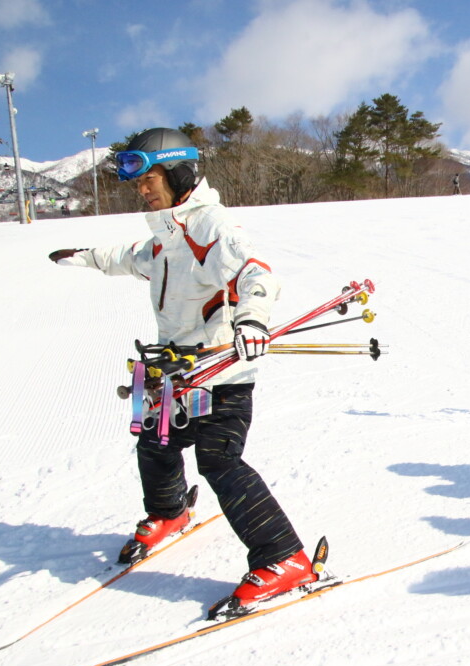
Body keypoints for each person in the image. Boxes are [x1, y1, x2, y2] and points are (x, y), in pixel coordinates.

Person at [46, 128, 318, 615]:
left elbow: (256, 273)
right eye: (138, 183)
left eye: (148, 180)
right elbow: (130, 258)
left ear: (177, 174)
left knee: (219, 460)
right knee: (155, 442)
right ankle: (169, 513)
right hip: (175, 372)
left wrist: (252, 320)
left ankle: (284, 557)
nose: (142, 191)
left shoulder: (211, 226)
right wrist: (85, 257)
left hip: (221, 372)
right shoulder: (165, 236)